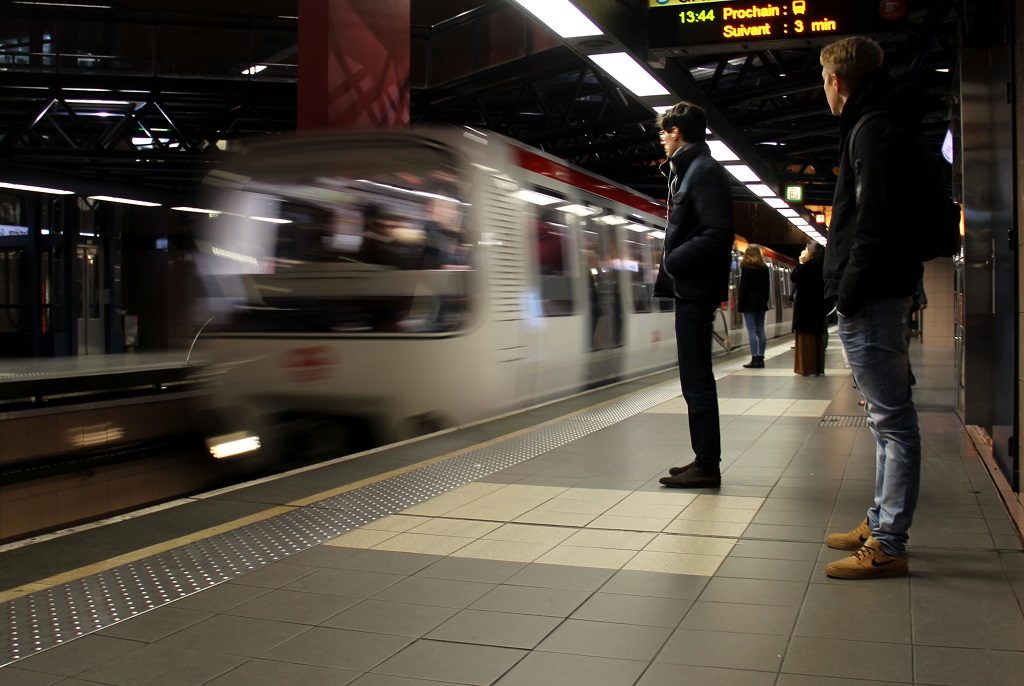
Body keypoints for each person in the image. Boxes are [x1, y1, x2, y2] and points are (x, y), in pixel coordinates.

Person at [819, 36, 926, 579]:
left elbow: (873, 224)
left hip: (874, 294)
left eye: (824, 81)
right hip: (879, 291)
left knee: (893, 420)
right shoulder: (876, 124)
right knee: (882, 418)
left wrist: (848, 292)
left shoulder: (873, 130)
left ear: (837, 81)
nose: (824, 90)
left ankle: (888, 542)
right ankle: (879, 521)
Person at [653, 101, 734, 489]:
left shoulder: (701, 172)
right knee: (694, 378)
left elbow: (717, 234)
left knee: (697, 379)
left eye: (664, 132)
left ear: (677, 131)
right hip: (692, 288)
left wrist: (673, 261)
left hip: (695, 288)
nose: (661, 139)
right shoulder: (690, 171)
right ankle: (703, 459)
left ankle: (707, 465)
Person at [791, 242, 826, 376]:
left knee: (805, 339)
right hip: (818, 307)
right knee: (817, 338)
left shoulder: (808, 266)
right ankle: (818, 368)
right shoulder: (821, 266)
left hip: (805, 308)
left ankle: (806, 367)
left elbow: (794, 277)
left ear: (810, 252)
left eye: (806, 249)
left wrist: (800, 262)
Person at [737, 245, 770, 368]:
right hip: (761, 303)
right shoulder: (764, 268)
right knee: (760, 330)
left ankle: (754, 358)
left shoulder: (746, 268)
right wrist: (764, 301)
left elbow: (743, 288)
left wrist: (740, 305)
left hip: (749, 304)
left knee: (752, 330)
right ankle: (761, 359)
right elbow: (767, 288)